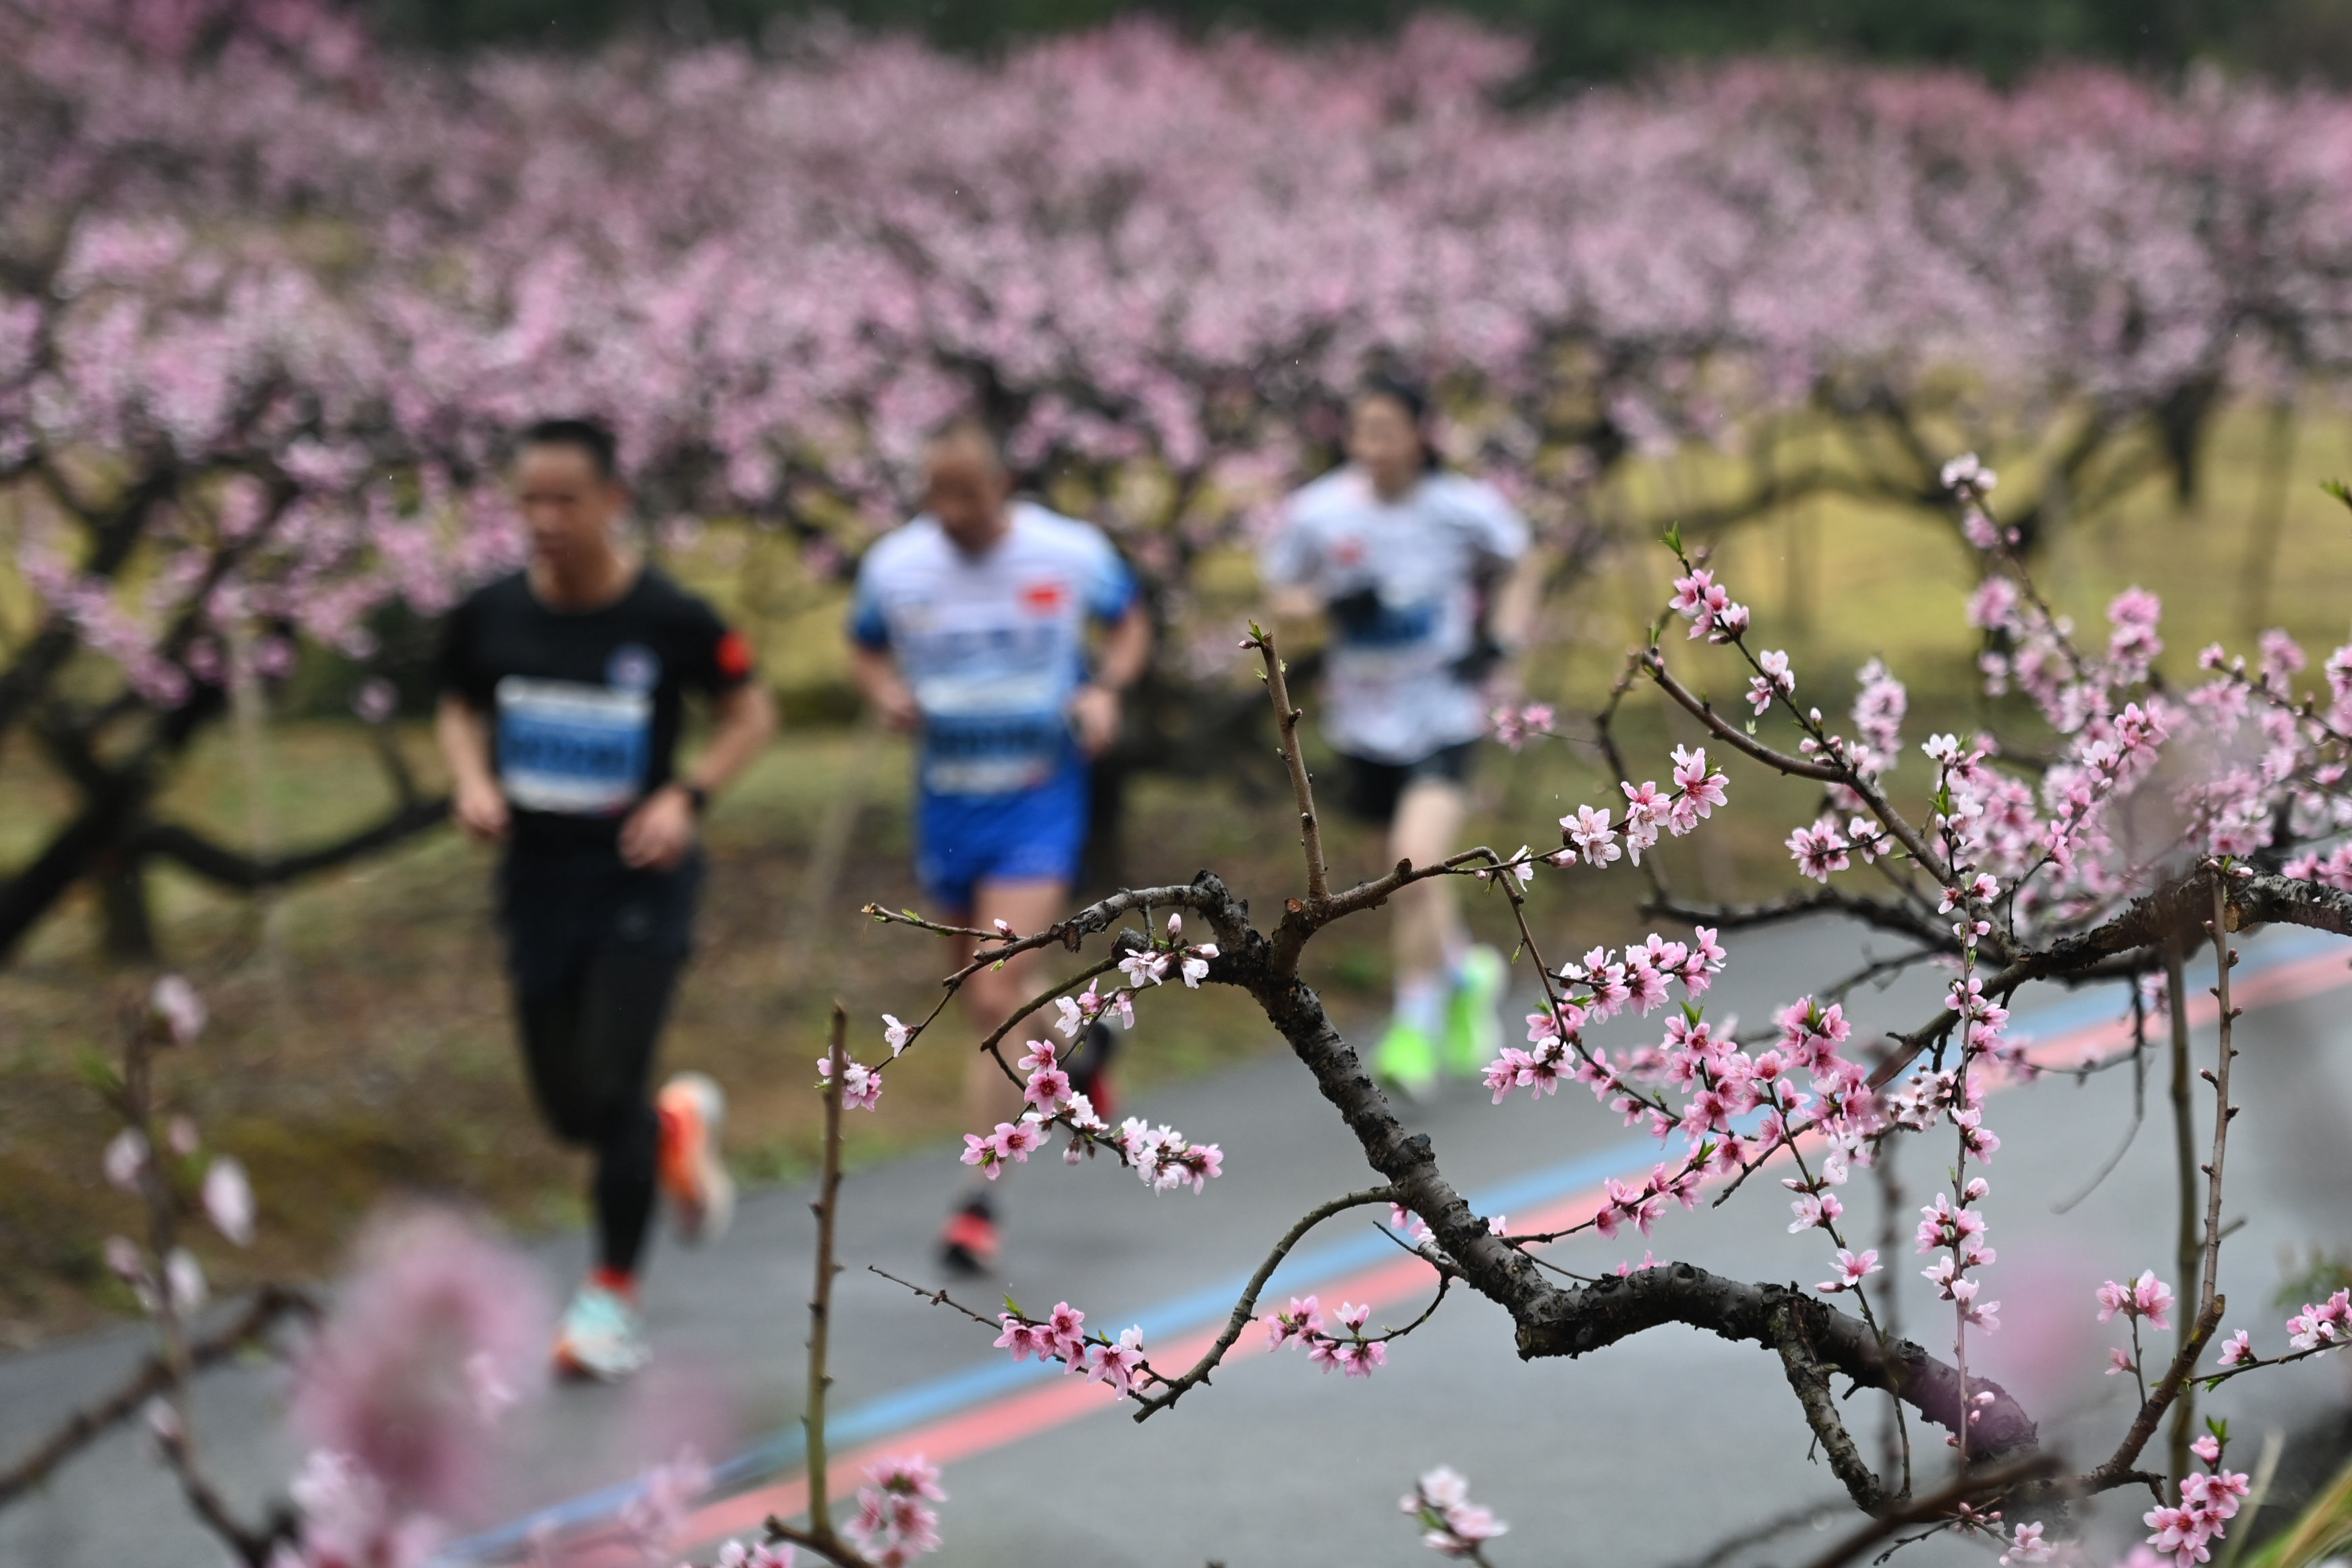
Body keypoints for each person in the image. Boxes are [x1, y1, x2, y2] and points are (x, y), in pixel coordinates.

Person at [435, 416, 777, 1380]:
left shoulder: (669, 618)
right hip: (535, 883)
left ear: (613, 503)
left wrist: (688, 795)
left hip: (639, 883)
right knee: (569, 1112)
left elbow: (752, 711)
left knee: (610, 1085)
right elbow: (458, 703)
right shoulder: (491, 614)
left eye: (565, 500)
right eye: (529, 500)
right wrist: (471, 782)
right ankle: (675, 1129)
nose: (544, 519)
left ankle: (607, 1303)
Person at [848, 417, 1150, 1273]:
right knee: (985, 981)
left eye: (969, 494)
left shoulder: (1069, 552)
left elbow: (1129, 623)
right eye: (937, 495)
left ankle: (978, 1202)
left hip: (1037, 799)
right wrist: (885, 693)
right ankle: (1089, 1035)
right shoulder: (896, 564)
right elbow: (864, 646)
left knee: (991, 996)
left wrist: (1104, 691)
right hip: (948, 804)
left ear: (1003, 484)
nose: (954, 512)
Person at [1260, 379, 1539, 1098]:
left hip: (1442, 712)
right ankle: (1465, 972)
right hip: (1364, 723)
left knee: (1412, 866)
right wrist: (1325, 603)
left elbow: (1521, 563)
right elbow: (1279, 595)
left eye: (1387, 430)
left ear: (1421, 434)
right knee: (1401, 877)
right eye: (1362, 431)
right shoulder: (1320, 511)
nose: (1372, 446)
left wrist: (1499, 641)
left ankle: (1413, 1024)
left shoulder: (1462, 508)